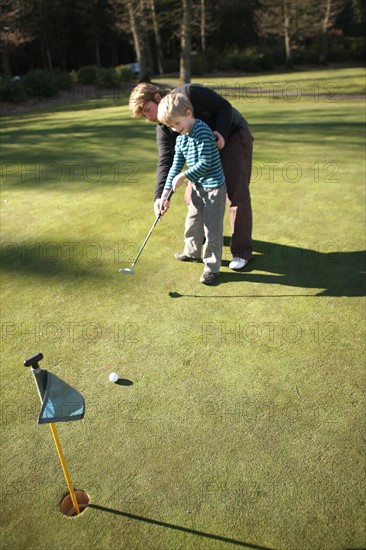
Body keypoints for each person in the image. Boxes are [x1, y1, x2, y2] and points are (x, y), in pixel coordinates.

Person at [129, 82, 254, 270]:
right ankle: (197, 245)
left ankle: (241, 252)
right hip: (206, 152)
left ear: (156, 97)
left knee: (236, 194)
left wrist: (220, 133)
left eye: (147, 110)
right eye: (144, 116)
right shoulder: (164, 127)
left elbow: (224, 107)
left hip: (232, 135)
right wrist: (161, 196)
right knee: (191, 196)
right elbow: (167, 162)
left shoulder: (190, 93)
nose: (149, 117)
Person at [157, 93, 226, 285]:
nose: (175, 129)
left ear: (188, 113)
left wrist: (184, 176)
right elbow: (175, 167)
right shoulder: (181, 139)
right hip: (198, 186)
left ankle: (212, 267)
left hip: (214, 187)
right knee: (193, 221)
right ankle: (192, 251)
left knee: (212, 228)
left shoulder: (202, 130)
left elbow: (206, 162)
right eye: (171, 126)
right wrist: (165, 194)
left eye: (177, 123)